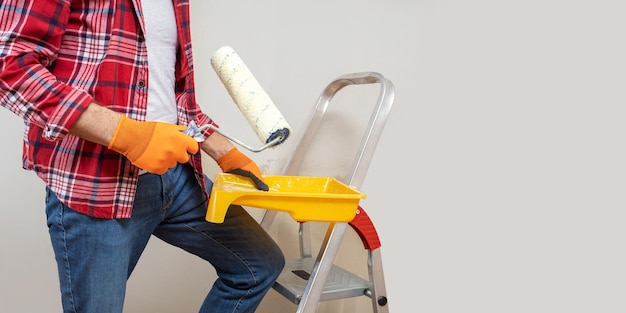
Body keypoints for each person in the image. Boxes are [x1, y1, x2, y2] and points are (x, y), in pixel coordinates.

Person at [0, 1, 285, 312]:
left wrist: (223, 150)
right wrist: (129, 136)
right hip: (97, 183)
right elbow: (9, 66)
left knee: (257, 267)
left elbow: (168, 91)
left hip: (174, 177)